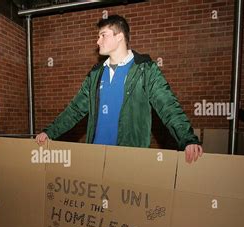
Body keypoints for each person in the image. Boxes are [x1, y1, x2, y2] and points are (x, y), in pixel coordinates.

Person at [36, 15, 203, 163]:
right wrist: (50, 132)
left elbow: (168, 106)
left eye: (103, 35)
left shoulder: (145, 70)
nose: (98, 41)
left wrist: (188, 139)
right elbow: (75, 109)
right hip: (95, 156)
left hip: (128, 160)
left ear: (119, 37)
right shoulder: (96, 74)